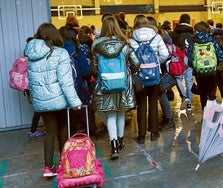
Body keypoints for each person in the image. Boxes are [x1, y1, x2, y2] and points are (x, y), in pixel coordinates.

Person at [24, 23, 82, 178]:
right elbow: (66, 82)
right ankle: (65, 163)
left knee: (50, 132)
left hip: (42, 101)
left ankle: (48, 167)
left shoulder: (31, 54)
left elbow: (31, 81)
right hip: (59, 100)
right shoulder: (60, 53)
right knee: (63, 129)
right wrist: (75, 102)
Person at [90, 15, 140, 160]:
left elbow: (93, 70)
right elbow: (136, 64)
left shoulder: (97, 45)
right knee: (121, 112)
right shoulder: (125, 43)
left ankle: (114, 146)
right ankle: (121, 139)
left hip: (105, 84)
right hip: (123, 83)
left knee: (110, 113)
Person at [130, 14, 169, 144]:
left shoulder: (131, 39)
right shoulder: (156, 36)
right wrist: (156, 63)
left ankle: (141, 136)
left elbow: (129, 58)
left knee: (141, 105)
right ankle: (154, 133)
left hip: (139, 77)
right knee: (153, 103)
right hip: (154, 75)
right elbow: (165, 54)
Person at [187, 21, 223, 110]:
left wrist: (194, 66)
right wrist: (219, 64)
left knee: (203, 94)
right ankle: (212, 114)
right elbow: (219, 54)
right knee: (212, 93)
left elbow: (190, 57)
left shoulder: (193, 41)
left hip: (199, 72)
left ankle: (205, 115)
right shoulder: (212, 40)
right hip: (212, 71)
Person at [147, 16, 175, 131]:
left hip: (161, 69)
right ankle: (166, 117)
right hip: (166, 68)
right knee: (160, 93)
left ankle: (169, 119)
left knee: (160, 93)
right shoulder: (163, 34)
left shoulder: (156, 37)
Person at [170, 13, 195, 111]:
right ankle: (189, 104)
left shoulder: (174, 33)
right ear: (189, 21)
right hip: (189, 57)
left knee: (178, 78)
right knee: (189, 82)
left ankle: (184, 96)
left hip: (178, 58)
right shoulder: (192, 33)